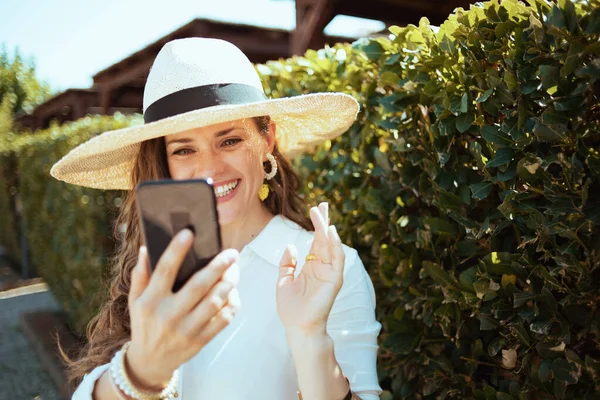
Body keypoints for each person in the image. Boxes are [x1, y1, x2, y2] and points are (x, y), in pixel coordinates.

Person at [51, 37, 381, 400]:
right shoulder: (154, 267)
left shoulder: (329, 269)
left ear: (266, 138)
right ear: (164, 162)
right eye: (184, 149)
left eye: (229, 141)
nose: (208, 169)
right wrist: (140, 371)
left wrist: (309, 336)